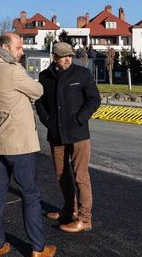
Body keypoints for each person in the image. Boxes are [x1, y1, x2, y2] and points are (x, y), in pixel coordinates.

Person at [0, 33, 57, 257]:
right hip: (19, 145)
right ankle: (37, 248)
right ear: (5, 47)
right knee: (30, 194)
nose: (22, 52)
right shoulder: (13, 71)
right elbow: (38, 90)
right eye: (18, 48)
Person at [35, 42, 100, 233]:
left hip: (78, 134)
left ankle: (84, 218)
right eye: (63, 56)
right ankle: (68, 209)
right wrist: (48, 121)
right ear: (54, 57)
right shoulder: (45, 77)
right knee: (61, 174)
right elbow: (40, 102)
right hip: (56, 134)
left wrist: (80, 118)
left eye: (70, 55)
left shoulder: (82, 74)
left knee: (80, 175)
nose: (68, 59)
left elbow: (94, 99)